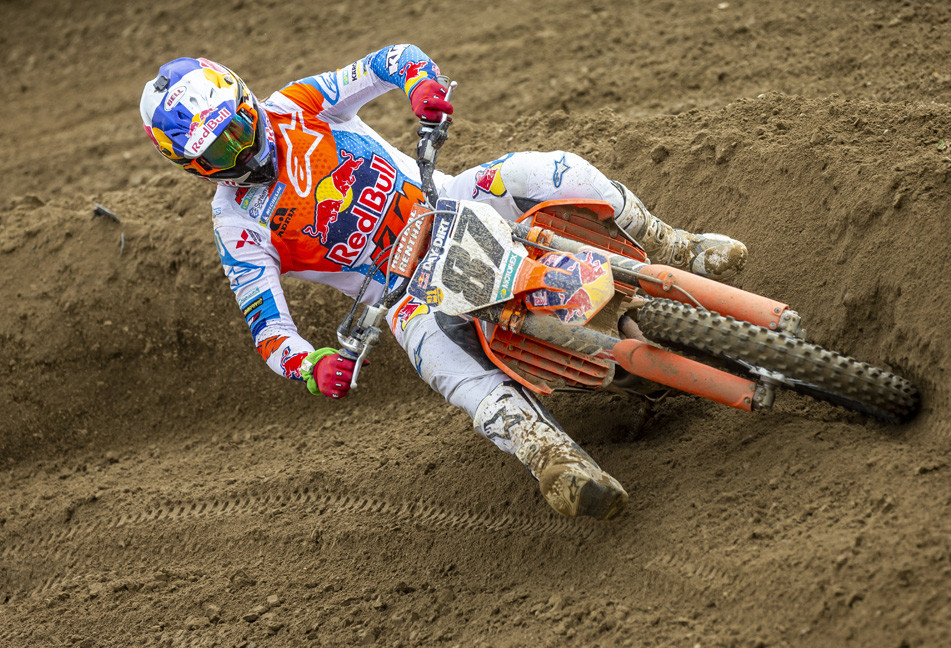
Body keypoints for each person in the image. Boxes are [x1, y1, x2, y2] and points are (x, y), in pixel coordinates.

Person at [139, 45, 747, 521]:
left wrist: (420, 85)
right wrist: (312, 365)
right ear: (192, 165)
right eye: (218, 152)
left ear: (246, 101)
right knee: (442, 363)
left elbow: (391, 58)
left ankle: (674, 244)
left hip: (449, 199)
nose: (241, 151)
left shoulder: (297, 106)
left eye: (238, 128)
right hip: (405, 294)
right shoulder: (237, 224)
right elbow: (269, 329)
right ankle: (550, 456)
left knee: (547, 169)